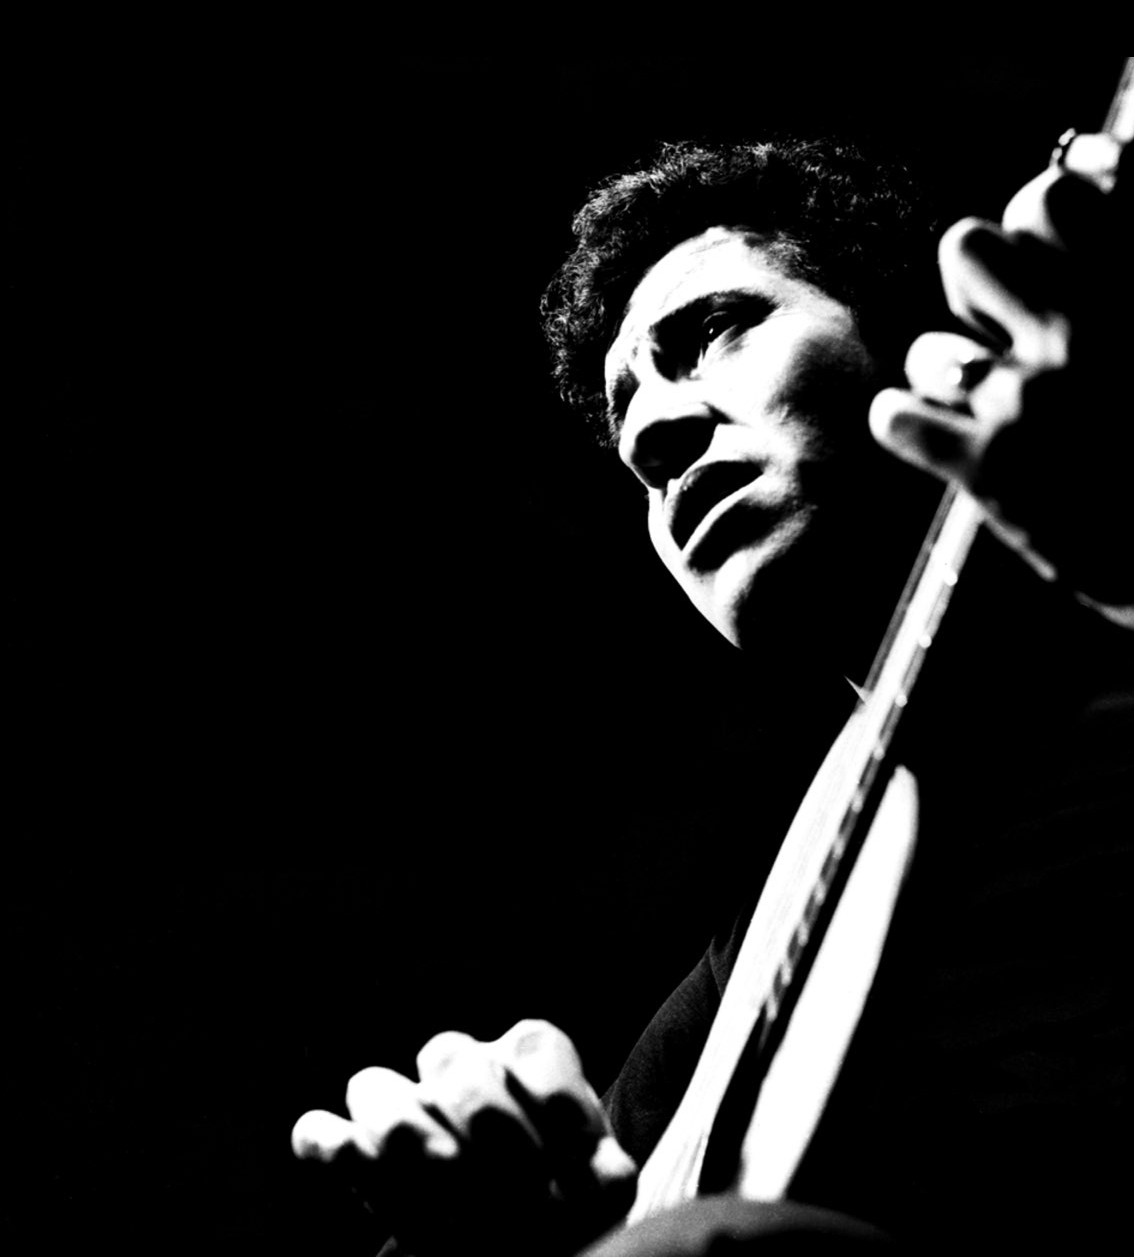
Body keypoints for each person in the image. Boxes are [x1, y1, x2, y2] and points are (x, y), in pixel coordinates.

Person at [292, 134, 1134, 1253]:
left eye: (714, 332)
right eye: (628, 418)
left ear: (917, 340)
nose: (652, 436)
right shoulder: (745, 976)